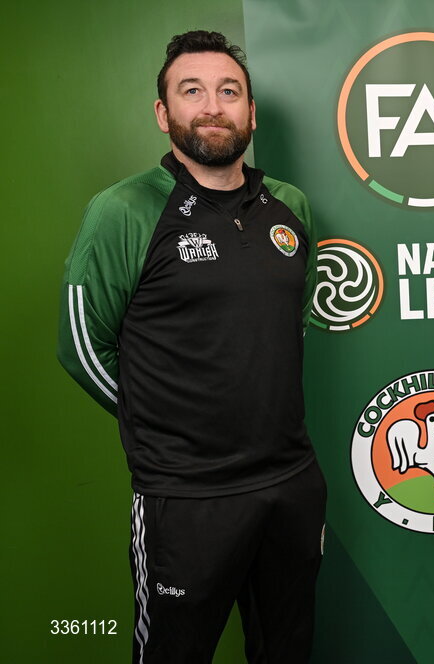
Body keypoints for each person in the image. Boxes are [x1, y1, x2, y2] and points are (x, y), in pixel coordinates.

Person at [57, 31, 325, 663]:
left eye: (229, 91)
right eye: (192, 91)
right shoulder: (123, 210)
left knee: (287, 651)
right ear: (163, 114)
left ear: (251, 112)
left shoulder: (289, 206)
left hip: (290, 484)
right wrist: (159, 420)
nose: (213, 105)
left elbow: (288, 325)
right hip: (185, 498)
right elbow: (80, 347)